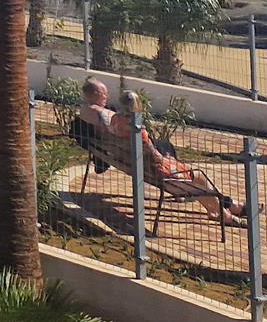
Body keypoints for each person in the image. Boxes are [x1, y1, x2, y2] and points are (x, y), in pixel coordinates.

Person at [78, 79, 246, 224]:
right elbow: (153, 155)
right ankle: (224, 213)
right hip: (156, 171)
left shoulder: (103, 119)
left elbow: (110, 123)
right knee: (198, 177)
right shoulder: (137, 130)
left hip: (131, 162)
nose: (107, 97)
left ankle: (220, 208)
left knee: (189, 174)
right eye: (104, 94)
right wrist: (163, 158)